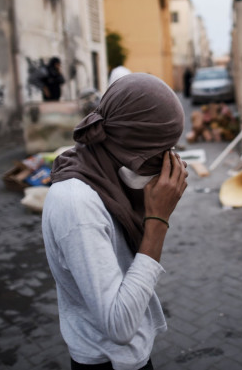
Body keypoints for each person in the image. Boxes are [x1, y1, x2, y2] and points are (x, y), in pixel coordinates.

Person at [42, 73, 189, 370]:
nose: (169, 162)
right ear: (134, 145)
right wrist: (158, 221)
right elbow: (119, 326)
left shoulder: (105, 174)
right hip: (106, 361)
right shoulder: (78, 204)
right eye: (163, 151)